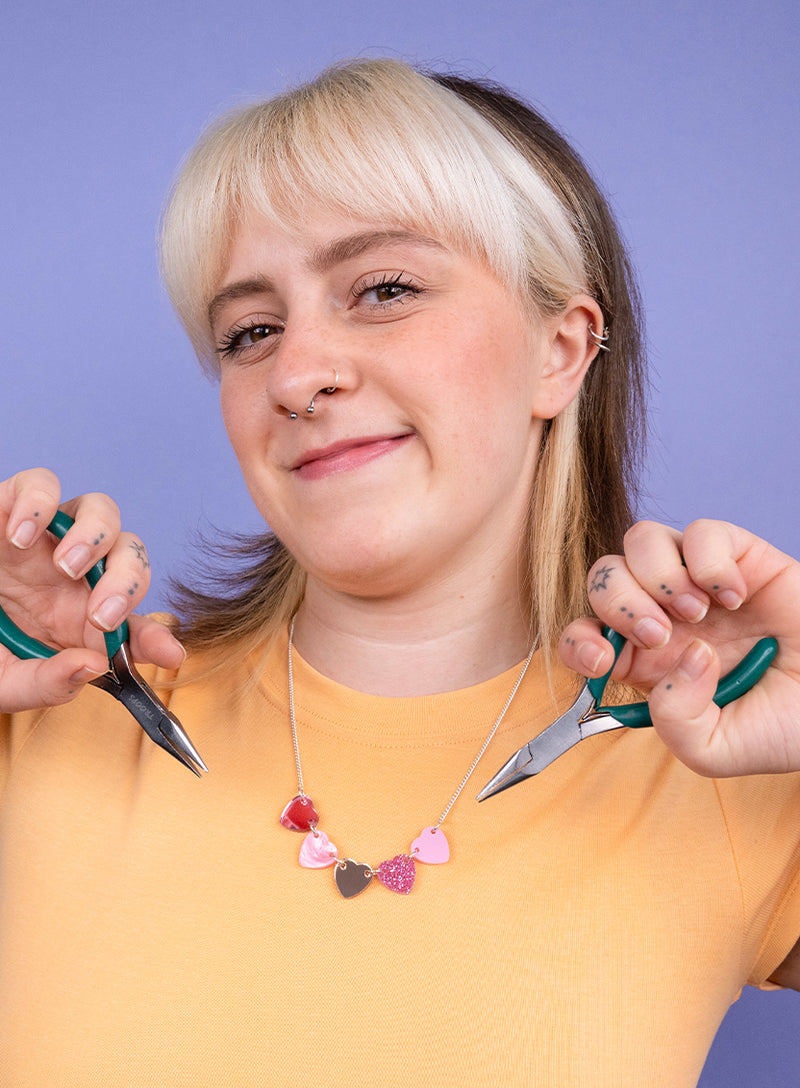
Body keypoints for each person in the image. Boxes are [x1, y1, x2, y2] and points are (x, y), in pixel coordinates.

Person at [0, 58, 798, 1086]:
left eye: (383, 289)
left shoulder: (721, 762)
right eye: (250, 331)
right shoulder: (54, 719)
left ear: (559, 350)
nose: (295, 374)